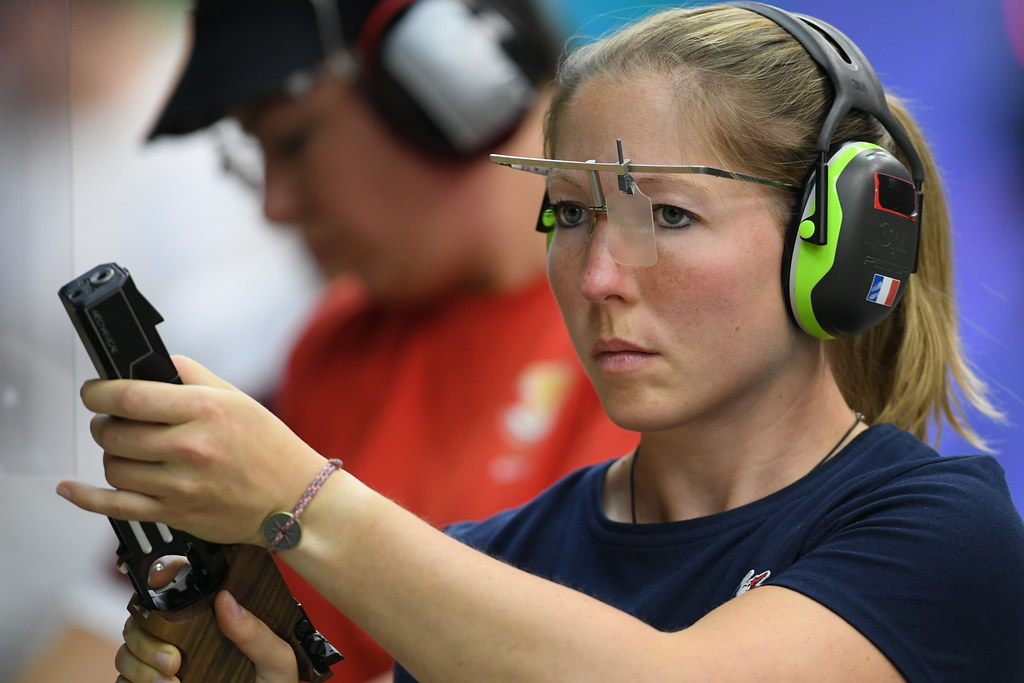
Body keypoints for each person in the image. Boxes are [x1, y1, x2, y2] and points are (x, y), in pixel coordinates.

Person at [60, 2, 1024, 682]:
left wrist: (297, 499)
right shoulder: (496, 558)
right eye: (567, 214)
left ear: (842, 241)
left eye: (671, 216)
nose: (598, 273)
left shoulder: (941, 533)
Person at [36, 1, 638, 682]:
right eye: (252, 156)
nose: (275, 205)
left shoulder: (660, 341)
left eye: (293, 141)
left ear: (455, 81)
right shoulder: (330, 346)